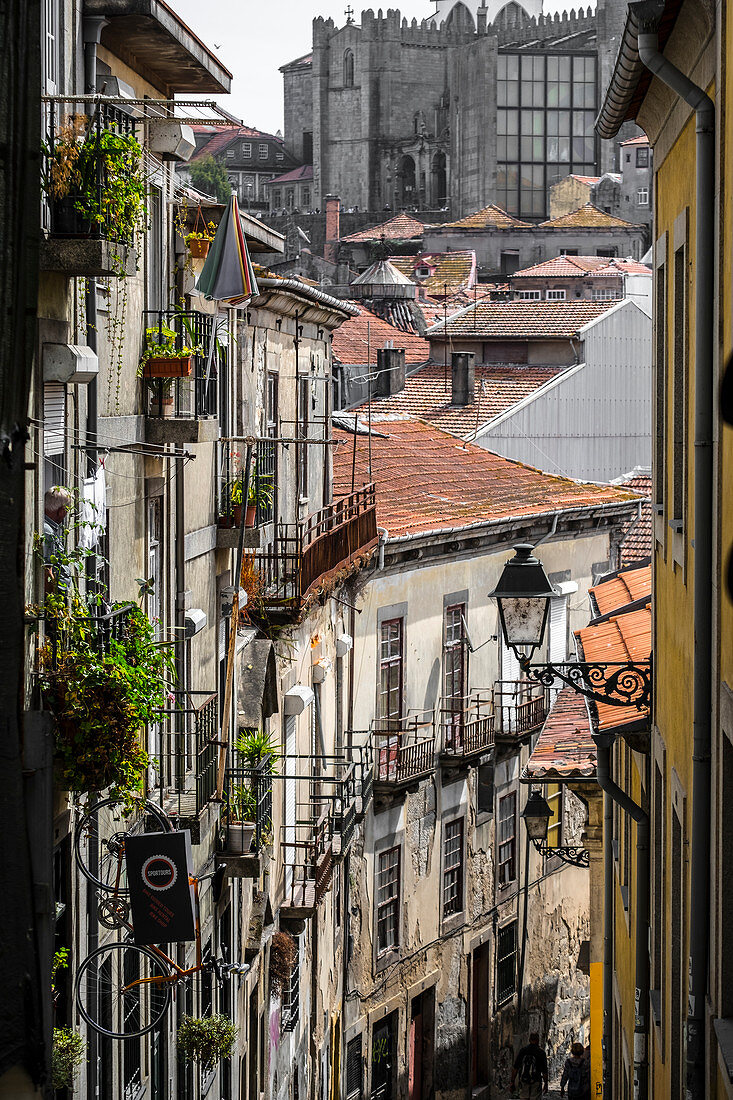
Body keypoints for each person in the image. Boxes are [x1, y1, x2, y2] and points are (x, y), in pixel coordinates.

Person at [43, 485, 73, 592]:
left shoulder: (46, 528)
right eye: (66, 511)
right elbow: (47, 571)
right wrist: (53, 602)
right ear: (61, 511)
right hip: (54, 601)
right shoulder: (47, 532)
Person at [510, 1032, 548, 1099]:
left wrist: (512, 1082)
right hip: (536, 1080)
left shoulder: (523, 1051)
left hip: (524, 1080)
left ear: (529, 1040)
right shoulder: (541, 1052)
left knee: (524, 1097)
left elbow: (516, 1067)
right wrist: (546, 1083)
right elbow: (544, 1070)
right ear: (538, 1040)